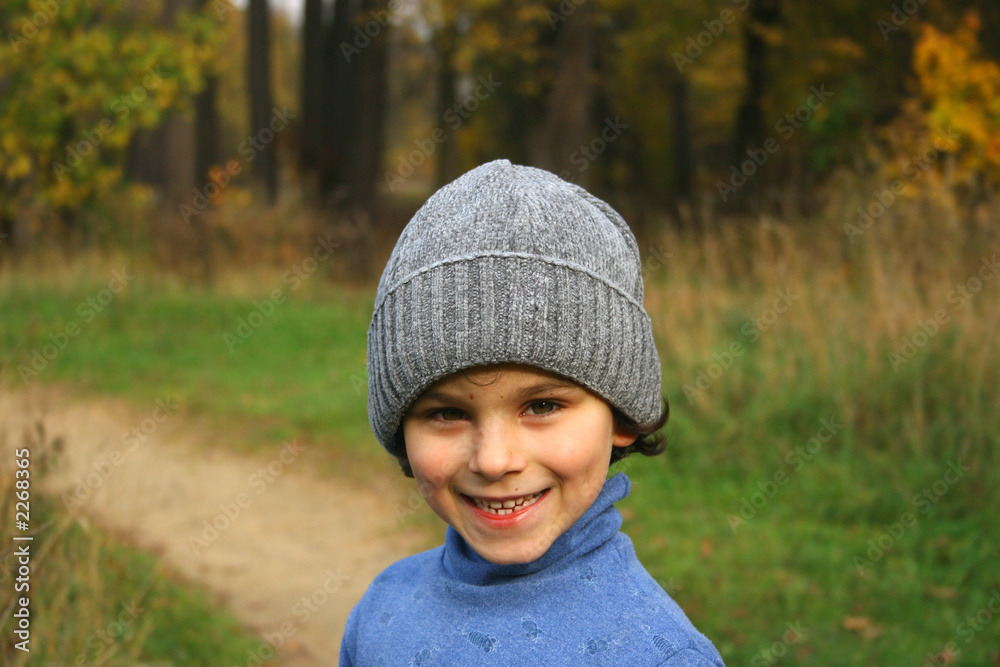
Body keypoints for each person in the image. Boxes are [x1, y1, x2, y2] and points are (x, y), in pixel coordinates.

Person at [340, 160, 724, 666]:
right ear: (399, 430)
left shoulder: (659, 655)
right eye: (447, 413)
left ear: (624, 418)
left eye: (542, 406)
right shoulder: (382, 614)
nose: (495, 461)